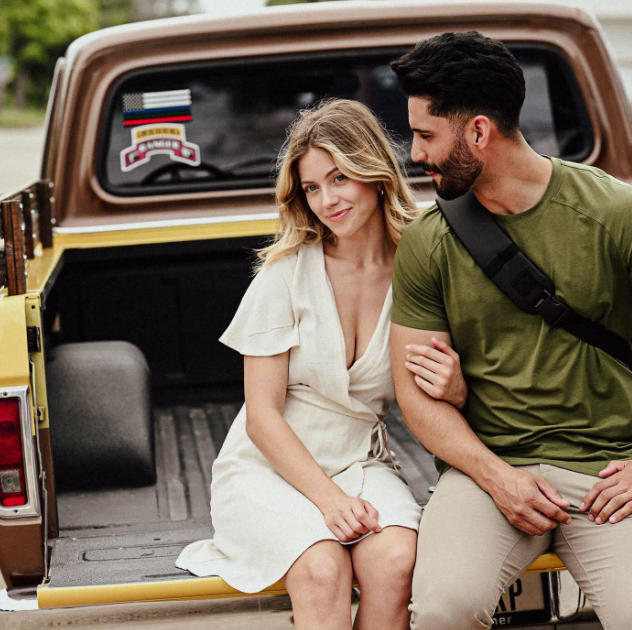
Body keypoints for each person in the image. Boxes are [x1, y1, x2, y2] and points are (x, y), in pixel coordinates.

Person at [387, 32, 632, 630]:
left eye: (426, 135)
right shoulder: (429, 241)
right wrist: (498, 478)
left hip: (608, 475)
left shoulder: (617, 213)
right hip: (488, 474)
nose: (416, 154)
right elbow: (415, 397)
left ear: (478, 132)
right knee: (443, 611)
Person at [175, 98, 468, 630]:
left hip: (361, 461)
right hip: (267, 467)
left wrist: (455, 387)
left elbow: (447, 383)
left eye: (339, 178)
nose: (327, 200)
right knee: (321, 568)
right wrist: (329, 501)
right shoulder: (283, 276)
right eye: (312, 187)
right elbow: (262, 416)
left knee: (396, 562)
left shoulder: (421, 269)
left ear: (374, 173)